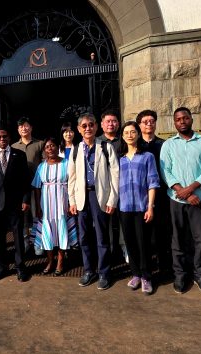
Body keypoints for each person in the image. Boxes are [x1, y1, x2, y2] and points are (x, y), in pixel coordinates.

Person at [160, 107, 201, 296]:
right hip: (176, 200)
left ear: (191, 120)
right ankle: (180, 274)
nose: (182, 121)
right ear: (174, 123)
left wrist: (191, 189)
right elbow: (165, 170)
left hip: (199, 200)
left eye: (185, 118)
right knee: (178, 240)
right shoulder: (169, 145)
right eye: (178, 119)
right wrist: (182, 192)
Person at [68, 112, 119, 290]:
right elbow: (72, 178)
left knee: (102, 236)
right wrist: (72, 201)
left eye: (91, 125)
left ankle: (105, 272)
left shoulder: (105, 147)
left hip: (100, 197)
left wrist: (112, 200)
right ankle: (89, 271)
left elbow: (115, 175)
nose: (88, 128)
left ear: (97, 126)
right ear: (79, 129)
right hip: (82, 198)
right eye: (84, 126)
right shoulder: (75, 150)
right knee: (84, 237)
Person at [0, 127, 32, 282]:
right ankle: (2, 267)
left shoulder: (19, 155)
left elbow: (25, 181)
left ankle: (20, 267)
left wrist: (25, 200)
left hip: (15, 203)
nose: (2, 139)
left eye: (5, 136)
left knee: (17, 236)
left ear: (9, 138)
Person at [118, 121, 160, 295]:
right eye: (126, 132)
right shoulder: (119, 159)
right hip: (125, 207)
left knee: (144, 243)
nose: (129, 135)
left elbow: (153, 182)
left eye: (133, 131)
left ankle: (146, 277)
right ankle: (135, 273)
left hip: (142, 207)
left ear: (138, 134)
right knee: (130, 242)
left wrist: (150, 207)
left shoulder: (147, 156)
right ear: (122, 136)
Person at [136, 109, 172, 280]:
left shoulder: (164, 144)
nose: (149, 124)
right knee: (144, 236)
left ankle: (165, 268)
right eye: (145, 121)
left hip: (162, 195)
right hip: (141, 196)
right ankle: (146, 271)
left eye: (152, 121)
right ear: (139, 125)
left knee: (162, 234)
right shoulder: (136, 146)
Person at [32, 137, 76, 276]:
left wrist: (71, 203)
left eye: (52, 146)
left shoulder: (67, 163)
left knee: (61, 231)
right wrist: (38, 207)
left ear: (58, 147)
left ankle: (60, 261)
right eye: (47, 147)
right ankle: (50, 261)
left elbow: (72, 185)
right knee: (48, 233)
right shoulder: (41, 166)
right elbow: (37, 187)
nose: (50, 148)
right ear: (44, 150)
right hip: (46, 204)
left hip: (62, 203)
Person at [11, 117, 44, 249]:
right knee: (22, 216)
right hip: (20, 188)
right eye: (21, 127)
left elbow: (44, 164)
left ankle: (38, 242)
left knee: (37, 214)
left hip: (36, 186)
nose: (24, 128)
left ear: (31, 128)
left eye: (26, 126)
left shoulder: (40, 144)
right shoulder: (13, 146)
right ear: (18, 130)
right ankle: (25, 243)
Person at [98, 110, 125, 264]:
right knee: (104, 222)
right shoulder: (97, 142)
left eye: (114, 121)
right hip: (103, 189)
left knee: (121, 221)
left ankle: (122, 248)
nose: (111, 124)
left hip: (123, 187)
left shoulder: (124, 140)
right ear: (101, 125)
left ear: (118, 124)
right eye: (107, 121)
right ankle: (107, 250)